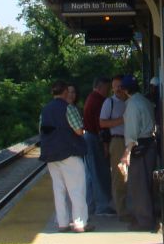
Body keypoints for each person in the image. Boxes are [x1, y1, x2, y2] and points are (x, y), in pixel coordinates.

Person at [39, 80, 90, 233]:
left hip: (51, 156)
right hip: (69, 153)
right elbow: (78, 131)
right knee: (77, 189)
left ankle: (62, 223)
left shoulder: (45, 110)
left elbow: (42, 130)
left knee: (58, 189)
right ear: (64, 92)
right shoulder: (69, 107)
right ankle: (80, 223)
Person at [118, 75, 157, 232]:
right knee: (147, 183)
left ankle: (144, 220)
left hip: (140, 146)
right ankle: (150, 216)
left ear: (125, 90)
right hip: (150, 144)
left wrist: (127, 152)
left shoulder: (132, 104)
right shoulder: (145, 101)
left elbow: (132, 131)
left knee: (139, 185)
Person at [82, 77, 115, 216]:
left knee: (90, 175)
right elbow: (100, 126)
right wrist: (105, 145)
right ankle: (103, 206)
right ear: (101, 87)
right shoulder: (99, 101)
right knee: (100, 173)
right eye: (107, 88)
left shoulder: (90, 98)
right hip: (95, 138)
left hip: (88, 137)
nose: (108, 91)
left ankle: (89, 206)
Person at [100, 74, 129, 221]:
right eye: (115, 86)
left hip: (131, 141)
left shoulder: (130, 101)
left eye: (120, 86)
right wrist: (122, 120)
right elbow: (102, 123)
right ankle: (121, 211)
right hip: (117, 141)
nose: (118, 89)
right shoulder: (109, 102)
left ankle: (129, 208)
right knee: (119, 177)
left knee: (131, 177)